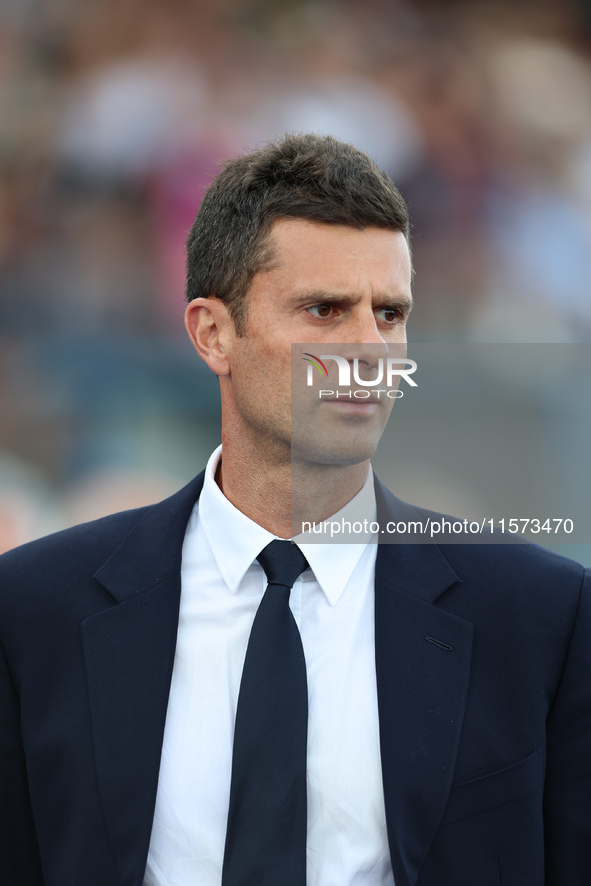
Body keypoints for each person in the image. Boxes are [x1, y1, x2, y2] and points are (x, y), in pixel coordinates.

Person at [0, 133, 589, 886]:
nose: (368, 349)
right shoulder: (34, 608)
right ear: (213, 333)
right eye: (323, 309)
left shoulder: (539, 615)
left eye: (388, 313)